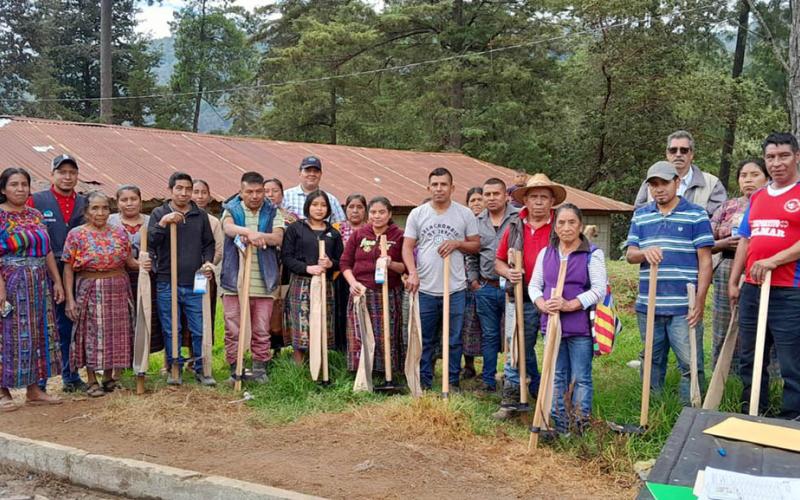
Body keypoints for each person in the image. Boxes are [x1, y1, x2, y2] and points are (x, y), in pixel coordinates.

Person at [626, 161, 713, 404]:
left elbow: (705, 262)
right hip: (649, 304)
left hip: (683, 306)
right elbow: (631, 254)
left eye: (664, 183)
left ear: (677, 182)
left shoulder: (696, 214)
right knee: (652, 360)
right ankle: (652, 411)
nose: (658, 189)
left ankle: (691, 413)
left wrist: (700, 300)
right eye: (653, 185)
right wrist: (645, 253)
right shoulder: (641, 215)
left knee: (690, 362)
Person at [729, 132, 800, 419]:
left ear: (796, 156)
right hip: (753, 288)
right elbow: (745, 240)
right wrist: (735, 281)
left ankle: (792, 418)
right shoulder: (757, 196)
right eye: (771, 157)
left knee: (790, 360)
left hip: (789, 291)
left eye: (783, 156)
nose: (776, 163)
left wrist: (774, 260)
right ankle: (755, 410)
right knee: (750, 356)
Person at [529, 204, 607, 435]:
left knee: (581, 376)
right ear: (555, 226)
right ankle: (560, 423)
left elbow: (599, 289)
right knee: (557, 374)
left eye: (571, 222)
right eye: (561, 223)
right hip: (552, 324)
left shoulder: (592, 254)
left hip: (579, 327)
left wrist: (571, 304)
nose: (566, 227)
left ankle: (580, 424)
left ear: (580, 225)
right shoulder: (547, 254)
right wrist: (541, 303)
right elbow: (534, 285)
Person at [492, 173, 563, 419]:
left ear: (552, 200)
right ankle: (512, 399)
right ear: (526, 200)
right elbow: (498, 261)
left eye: (544, 197)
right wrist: (509, 273)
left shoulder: (560, 225)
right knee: (517, 348)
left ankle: (554, 399)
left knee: (555, 348)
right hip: (520, 297)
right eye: (534, 197)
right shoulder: (514, 226)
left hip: (553, 298)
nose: (539, 202)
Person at [402, 167, 480, 391]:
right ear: (428, 188)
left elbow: (475, 244)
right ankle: (424, 382)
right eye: (434, 185)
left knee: (454, 339)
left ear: (452, 188)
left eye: (443, 184)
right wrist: (413, 273)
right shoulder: (417, 214)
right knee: (425, 339)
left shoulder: (464, 214)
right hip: (425, 288)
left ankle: (452, 381)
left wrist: (457, 243)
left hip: (454, 288)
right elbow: (408, 248)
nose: (439, 189)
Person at [0, 167, 65, 410]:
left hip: (39, 282)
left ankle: (34, 390)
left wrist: (56, 281)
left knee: (39, 334)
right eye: (14, 184)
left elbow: (46, 250)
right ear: (3, 189)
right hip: (10, 280)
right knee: (6, 335)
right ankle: (2, 391)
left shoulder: (35, 214)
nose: (19, 189)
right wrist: (1, 289)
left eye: (24, 184)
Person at [63, 192, 138, 397]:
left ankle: (108, 376)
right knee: (90, 334)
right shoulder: (76, 234)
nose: (101, 212)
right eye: (95, 208)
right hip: (90, 288)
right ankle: (91, 379)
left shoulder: (119, 232)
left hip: (118, 288)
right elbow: (68, 268)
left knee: (115, 333)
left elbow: (130, 262)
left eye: (105, 208)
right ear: (86, 211)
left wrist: (145, 264)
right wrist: (70, 299)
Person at [148, 172, 216, 386]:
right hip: (167, 281)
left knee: (199, 327)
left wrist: (207, 262)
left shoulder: (200, 215)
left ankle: (201, 369)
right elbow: (152, 241)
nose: (184, 193)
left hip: (195, 280)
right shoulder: (159, 212)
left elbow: (209, 244)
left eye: (188, 189)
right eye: (179, 188)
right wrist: (163, 222)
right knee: (172, 328)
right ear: (170, 190)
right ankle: (173, 368)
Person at [27, 154, 87, 393]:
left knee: (70, 324)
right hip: (44, 268)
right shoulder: (37, 200)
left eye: (72, 172)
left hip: (77, 270)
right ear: (52, 175)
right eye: (62, 172)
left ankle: (70, 376)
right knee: (43, 324)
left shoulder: (85, 202)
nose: (67, 176)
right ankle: (40, 382)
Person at [220, 172, 284, 384]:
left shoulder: (272, 211)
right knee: (233, 328)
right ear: (241, 192)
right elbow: (228, 228)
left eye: (259, 192)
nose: (255, 196)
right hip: (234, 281)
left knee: (261, 329)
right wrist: (249, 232)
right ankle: (235, 368)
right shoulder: (232, 209)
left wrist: (261, 236)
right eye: (250, 192)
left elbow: (277, 237)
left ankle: (259, 370)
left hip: (264, 281)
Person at [709, 160, 769, 372]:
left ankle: (765, 376)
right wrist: (723, 244)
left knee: (761, 324)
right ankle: (722, 375)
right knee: (724, 323)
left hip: (763, 270)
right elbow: (706, 242)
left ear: (767, 177)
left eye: (755, 174)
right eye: (744, 175)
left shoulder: (772, 203)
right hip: (727, 267)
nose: (749, 180)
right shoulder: (726, 207)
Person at [340, 196, 405, 375]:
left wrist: (391, 263)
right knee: (360, 332)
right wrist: (353, 283)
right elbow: (345, 263)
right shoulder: (359, 234)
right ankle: (360, 371)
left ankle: (387, 372)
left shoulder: (398, 235)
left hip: (388, 292)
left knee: (386, 332)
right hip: (361, 291)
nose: (377, 216)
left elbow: (404, 268)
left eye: (382, 212)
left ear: (390, 214)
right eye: (374, 212)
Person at [281, 190, 344, 366]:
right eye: (315, 205)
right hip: (302, 283)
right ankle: (299, 368)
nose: (319, 209)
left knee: (322, 322)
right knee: (301, 324)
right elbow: (286, 257)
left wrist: (331, 264)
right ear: (308, 206)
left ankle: (320, 366)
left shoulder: (333, 233)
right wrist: (307, 268)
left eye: (323, 205)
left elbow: (342, 261)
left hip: (325, 284)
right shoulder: (296, 229)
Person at [469, 178, 518, 393]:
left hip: (512, 287)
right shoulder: (476, 221)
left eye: (495, 194)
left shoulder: (518, 218)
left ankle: (513, 379)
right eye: (487, 195)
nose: (491, 198)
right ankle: (488, 380)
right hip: (486, 287)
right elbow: (471, 255)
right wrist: (473, 281)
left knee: (513, 334)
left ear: (505, 195)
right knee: (489, 335)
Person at [109, 185, 164, 352]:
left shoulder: (150, 221)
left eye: (133, 199)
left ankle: (146, 356)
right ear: (117, 203)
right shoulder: (110, 221)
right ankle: (124, 356)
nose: (129, 203)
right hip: (119, 276)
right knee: (123, 316)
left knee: (147, 313)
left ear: (140, 202)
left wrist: (150, 262)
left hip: (147, 274)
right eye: (124, 200)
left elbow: (159, 245)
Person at [634, 130, 726, 216]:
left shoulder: (712, 183)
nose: (678, 154)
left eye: (684, 150)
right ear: (667, 154)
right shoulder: (651, 182)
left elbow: (719, 218)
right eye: (673, 150)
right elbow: (639, 213)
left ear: (692, 154)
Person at [264, 178, 297, 353]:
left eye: (275, 191)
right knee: (264, 306)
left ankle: (280, 347)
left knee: (282, 306)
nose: (270, 195)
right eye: (266, 191)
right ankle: (262, 349)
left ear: (282, 195)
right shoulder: (259, 216)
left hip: (285, 268)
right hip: (263, 266)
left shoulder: (291, 219)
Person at [333, 194, 367, 352]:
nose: (355, 211)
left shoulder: (371, 229)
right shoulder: (336, 228)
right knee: (340, 312)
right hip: (340, 276)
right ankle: (342, 350)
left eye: (359, 207)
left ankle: (362, 348)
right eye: (351, 207)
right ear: (345, 209)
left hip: (364, 277)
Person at [461, 187, 486, 381]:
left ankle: (488, 366)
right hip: (464, 282)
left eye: (480, 199)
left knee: (487, 327)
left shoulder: (488, 224)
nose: (476, 203)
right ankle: (468, 365)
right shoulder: (463, 223)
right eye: (472, 200)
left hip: (487, 282)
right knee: (467, 326)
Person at [282, 156, 346, 223]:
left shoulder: (331, 200)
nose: (312, 174)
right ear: (299, 173)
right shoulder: (285, 196)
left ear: (320, 174)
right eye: (308, 171)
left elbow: (342, 227)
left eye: (316, 171)